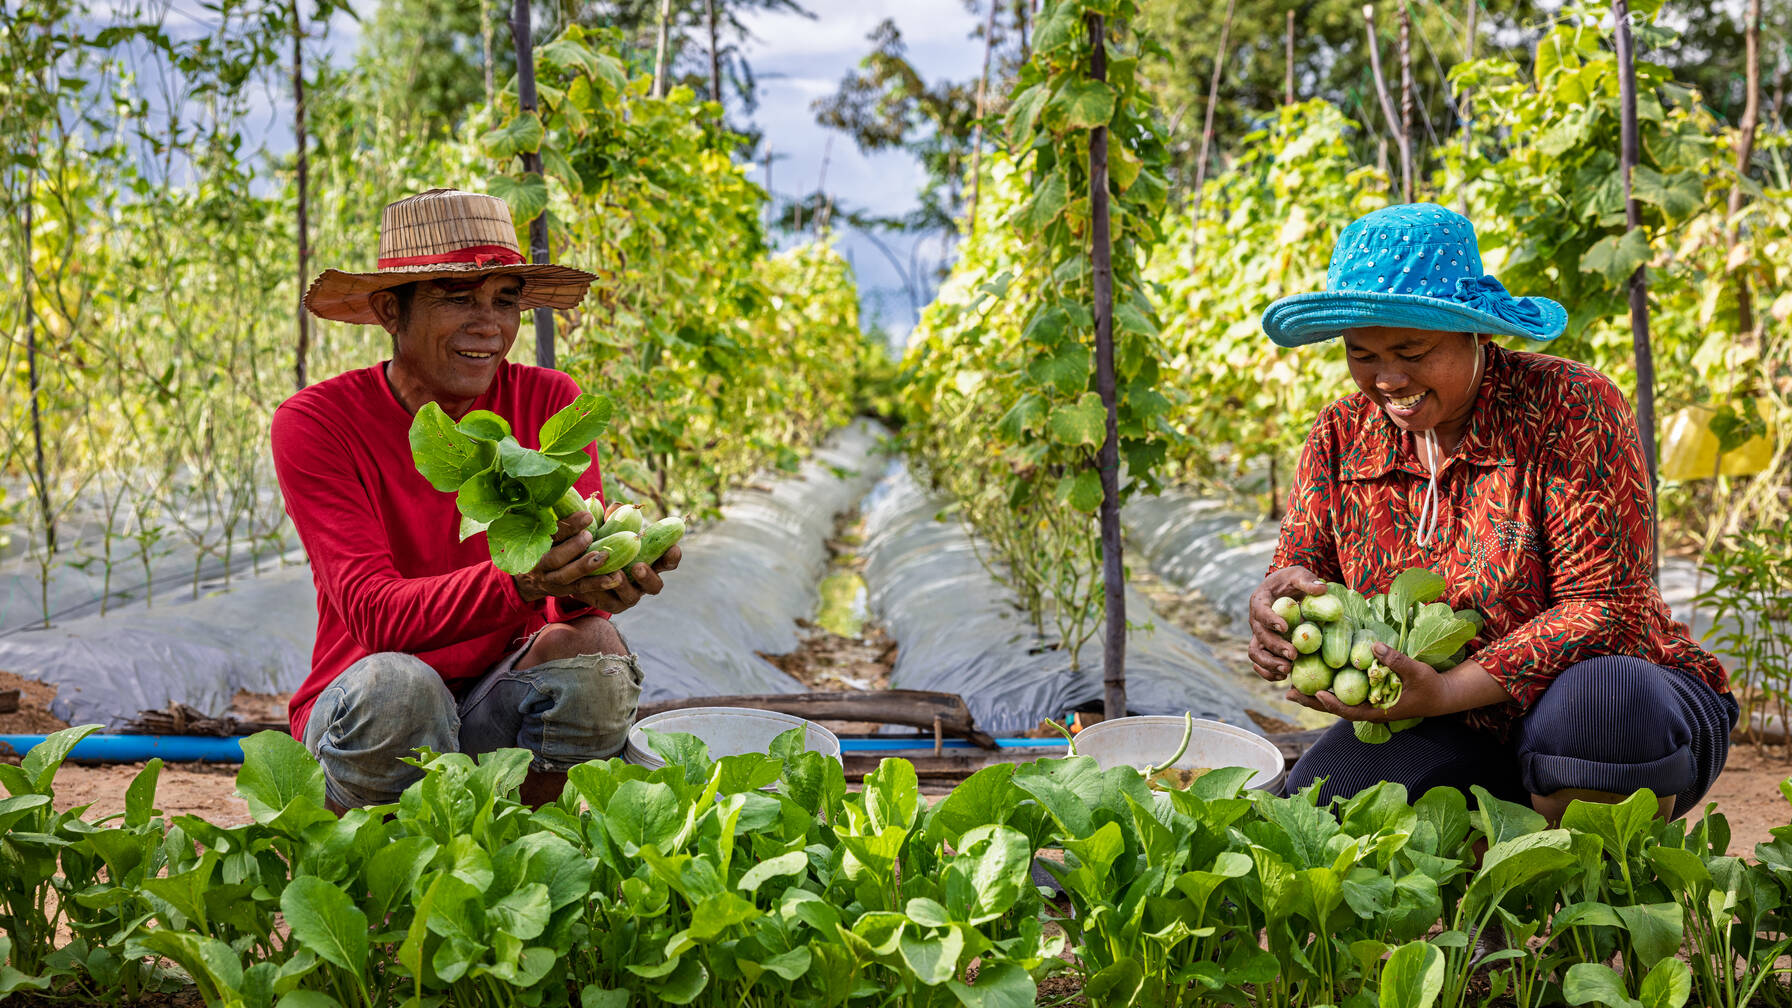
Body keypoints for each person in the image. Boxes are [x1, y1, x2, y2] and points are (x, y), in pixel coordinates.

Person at [1249, 202, 1735, 823]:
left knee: (1603, 704)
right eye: (1362, 354)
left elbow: (1609, 611)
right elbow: (1303, 565)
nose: (1389, 378)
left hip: (1613, 715)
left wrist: (1451, 685)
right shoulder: (1341, 434)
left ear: (1478, 333)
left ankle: (1604, 894)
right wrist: (1278, 604)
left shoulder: (1569, 407)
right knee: (1321, 807)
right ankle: (1496, 873)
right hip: (1443, 718)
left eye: (1412, 349)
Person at [272, 188, 680, 812]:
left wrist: (601, 578)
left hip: (497, 701)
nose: (488, 325)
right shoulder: (318, 422)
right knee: (404, 687)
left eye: (505, 300)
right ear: (390, 310)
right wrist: (519, 581)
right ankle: (372, 871)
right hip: (369, 713)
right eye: (457, 298)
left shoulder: (549, 401)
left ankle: (529, 852)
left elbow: (566, 605)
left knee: (595, 650)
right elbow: (379, 618)